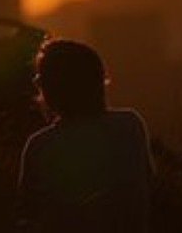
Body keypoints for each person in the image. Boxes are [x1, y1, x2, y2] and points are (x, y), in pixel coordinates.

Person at [17, 39, 153, 233]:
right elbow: (145, 188)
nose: (37, 83)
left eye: (41, 78)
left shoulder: (40, 146)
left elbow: (28, 215)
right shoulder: (130, 125)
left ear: (52, 87)